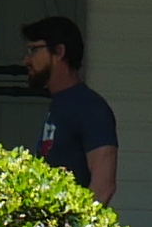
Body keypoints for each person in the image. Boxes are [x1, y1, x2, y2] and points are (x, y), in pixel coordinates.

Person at [21, 15, 118, 202]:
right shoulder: (59, 103)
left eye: (33, 50)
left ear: (59, 52)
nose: (26, 60)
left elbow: (104, 187)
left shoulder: (90, 108)